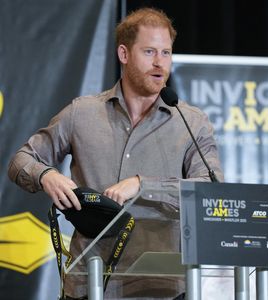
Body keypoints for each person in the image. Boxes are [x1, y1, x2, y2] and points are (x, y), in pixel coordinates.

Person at [8, 7, 223, 300]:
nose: (160, 63)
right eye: (149, 52)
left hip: (159, 288)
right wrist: (46, 175)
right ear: (124, 54)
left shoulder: (191, 121)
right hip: (90, 283)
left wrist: (143, 185)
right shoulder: (81, 113)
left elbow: (211, 191)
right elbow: (21, 160)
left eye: (166, 53)